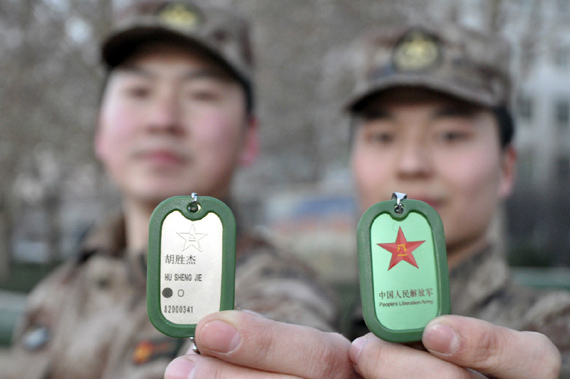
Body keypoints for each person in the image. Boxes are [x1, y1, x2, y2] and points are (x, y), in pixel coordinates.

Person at [164, 18, 569, 379]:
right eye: (383, 137)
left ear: (507, 167)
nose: (410, 165)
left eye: (450, 135)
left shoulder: (552, 330)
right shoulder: (315, 315)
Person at [5, 2, 338, 378]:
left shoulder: (274, 292)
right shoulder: (58, 289)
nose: (163, 119)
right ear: (100, 129)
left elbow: (287, 331)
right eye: (138, 91)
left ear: (250, 137)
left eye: (201, 94)